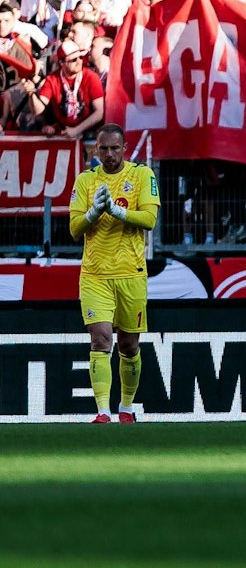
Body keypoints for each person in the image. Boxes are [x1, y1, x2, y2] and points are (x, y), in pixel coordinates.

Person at [68, 125, 157, 425]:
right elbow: (73, 228)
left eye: (115, 148)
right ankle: (103, 411)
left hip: (131, 273)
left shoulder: (142, 175)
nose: (109, 154)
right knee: (100, 340)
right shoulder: (85, 181)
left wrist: (118, 213)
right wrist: (92, 214)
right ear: (95, 150)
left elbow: (150, 219)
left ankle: (127, 408)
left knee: (129, 345)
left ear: (125, 147)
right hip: (95, 274)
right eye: (103, 149)